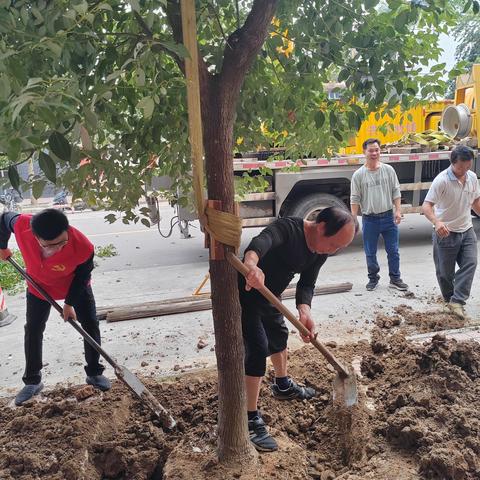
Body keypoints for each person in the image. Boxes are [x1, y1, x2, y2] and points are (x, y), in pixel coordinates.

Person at [239, 206, 357, 452]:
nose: (334, 251)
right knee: (258, 349)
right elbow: (260, 243)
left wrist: (305, 312)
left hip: (271, 297)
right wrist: (252, 266)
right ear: (321, 227)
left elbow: (307, 283)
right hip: (246, 293)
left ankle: (282, 386)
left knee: (280, 335)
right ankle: (249, 418)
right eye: (334, 244)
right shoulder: (289, 229)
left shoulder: (319, 252)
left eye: (339, 248)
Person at [0, 208, 110, 405]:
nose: (58, 248)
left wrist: (68, 304)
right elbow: (3, 218)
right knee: (33, 329)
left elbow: (82, 277)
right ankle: (32, 381)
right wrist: (2, 245)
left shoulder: (83, 246)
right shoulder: (22, 224)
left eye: (62, 242)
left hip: (75, 287)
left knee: (90, 324)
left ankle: (94, 372)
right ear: (35, 237)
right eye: (50, 245)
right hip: (38, 286)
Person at [422, 145, 480, 319]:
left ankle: (457, 301)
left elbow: (476, 201)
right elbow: (427, 205)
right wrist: (436, 222)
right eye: (461, 167)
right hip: (446, 232)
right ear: (453, 163)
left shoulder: (472, 177)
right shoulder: (441, 181)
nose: (464, 171)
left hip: (467, 229)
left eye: (468, 166)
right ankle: (450, 301)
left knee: (470, 263)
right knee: (445, 273)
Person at [350, 138, 409, 292]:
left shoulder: (388, 170)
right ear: (364, 152)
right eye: (371, 150)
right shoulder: (358, 175)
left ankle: (395, 278)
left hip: (389, 217)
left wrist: (398, 210)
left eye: (377, 150)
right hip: (370, 219)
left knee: (393, 251)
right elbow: (355, 198)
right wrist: (353, 219)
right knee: (370, 252)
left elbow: (396, 191)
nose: (374, 153)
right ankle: (373, 278)